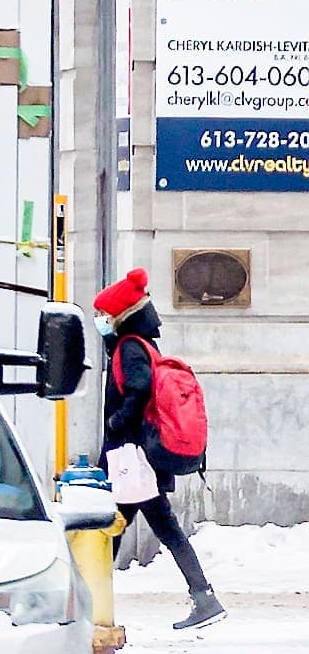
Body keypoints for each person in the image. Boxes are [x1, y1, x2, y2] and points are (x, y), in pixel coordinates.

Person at [96, 267, 223, 631]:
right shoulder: (143, 345)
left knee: (113, 528)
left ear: (121, 317)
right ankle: (203, 597)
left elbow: (138, 389)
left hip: (133, 458)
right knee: (122, 528)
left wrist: (118, 422)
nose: (101, 322)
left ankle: (85, 602)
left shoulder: (130, 348)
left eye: (105, 316)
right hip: (139, 458)